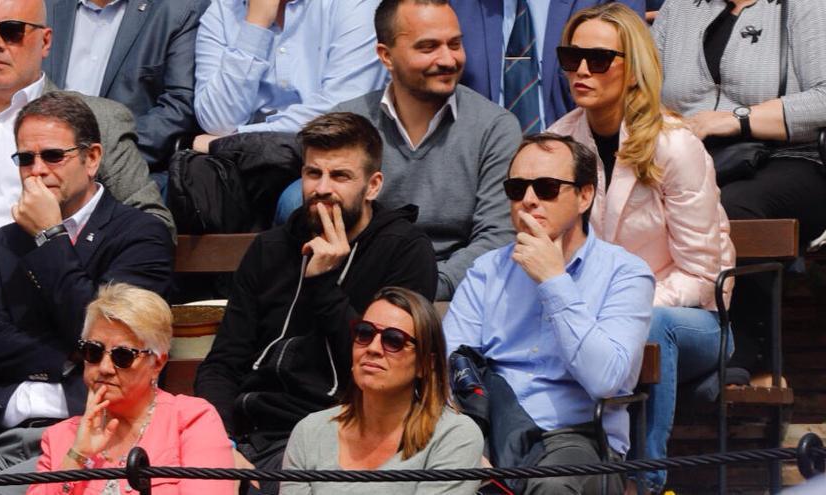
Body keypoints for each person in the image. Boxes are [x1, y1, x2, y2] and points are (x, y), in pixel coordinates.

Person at [194, 112, 438, 495]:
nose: (322, 188)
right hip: (250, 431)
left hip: (340, 435)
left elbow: (384, 372)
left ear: (372, 185)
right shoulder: (270, 248)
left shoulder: (403, 251)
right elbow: (224, 363)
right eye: (313, 173)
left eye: (340, 176)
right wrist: (219, 442)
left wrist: (324, 283)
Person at [547, 4, 736, 493]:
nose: (582, 70)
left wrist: (623, 309)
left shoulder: (674, 146)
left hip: (692, 319)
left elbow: (701, 274)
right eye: (572, 57)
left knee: (650, 326)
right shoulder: (558, 145)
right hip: (595, 319)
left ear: (634, 67)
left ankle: (644, 484)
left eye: (599, 58)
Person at [0, 91, 173, 495]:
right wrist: (67, 357)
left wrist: (50, 236)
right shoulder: (6, 241)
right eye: (25, 159)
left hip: (90, 436)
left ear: (92, 158)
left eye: (53, 156)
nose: (37, 171)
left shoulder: (139, 234)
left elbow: (108, 340)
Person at [443, 132, 655, 494]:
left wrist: (554, 281)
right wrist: (465, 444)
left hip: (577, 436)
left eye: (546, 188)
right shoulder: (486, 271)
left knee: (553, 487)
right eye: (516, 188)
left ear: (585, 196)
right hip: (490, 427)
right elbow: (449, 368)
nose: (528, 200)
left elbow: (606, 379)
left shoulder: (626, 273)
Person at [0, 0, 173, 333]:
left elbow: (152, 223)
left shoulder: (97, 119)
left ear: (46, 41)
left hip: (29, 301)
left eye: (11, 31)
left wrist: (63, 253)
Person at [316, 0, 521, 301]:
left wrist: (420, 291)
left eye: (455, 44)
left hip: (459, 297)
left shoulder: (494, 127)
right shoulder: (350, 123)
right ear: (386, 56)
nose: (448, 60)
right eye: (428, 47)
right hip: (361, 295)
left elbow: (497, 237)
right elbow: (331, 227)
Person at [27, 283, 234, 495]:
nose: (105, 368)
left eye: (123, 356)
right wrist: (78, 455)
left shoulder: (192, 420)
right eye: (93, 351)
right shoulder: (60, 437)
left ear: (157, 363)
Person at [653, 0, 826, 248]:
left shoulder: (807, 5)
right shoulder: (678, 7)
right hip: (689, 158)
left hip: (786, 157)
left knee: (728, 208)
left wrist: (737, 119)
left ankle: (732, 287)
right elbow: (643, 89)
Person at [282, 286, 483, 495]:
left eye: (393, 340)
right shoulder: (309, 432)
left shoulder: (455, 436)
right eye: (364, 333)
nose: (373, 348)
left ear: (425, 364)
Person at [191, 0, 387, 152]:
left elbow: (341, 116)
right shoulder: (223, 11)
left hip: (325, 155)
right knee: (195, 181)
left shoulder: (354, 5)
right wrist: (255, 26)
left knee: (297, 197)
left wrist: (234, 141)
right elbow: (217, 121)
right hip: (240, 162)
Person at [42, 0, 210, 171]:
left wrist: (95, 158)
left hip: (118, 171)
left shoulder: (179, 9)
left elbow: (179, 106)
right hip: (32, 161)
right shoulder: (40, 6)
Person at [449, 0, 644, 130]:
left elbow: (633, 79)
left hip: (582, 166)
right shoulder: (456, 6)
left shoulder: (603, 3)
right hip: (480, 166)